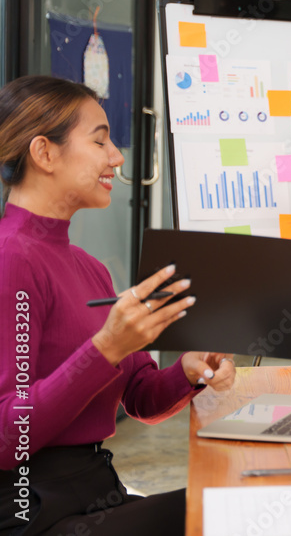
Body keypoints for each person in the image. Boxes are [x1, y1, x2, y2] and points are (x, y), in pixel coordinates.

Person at [0, 75, 236, 535]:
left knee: (237, 499)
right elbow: (9, 438)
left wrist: (187, 370)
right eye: (100, 141)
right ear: (44, 153)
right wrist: (105, 347)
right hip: (33, 511)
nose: (117, 158)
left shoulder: (89, 268)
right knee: (230, 512)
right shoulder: (12, 259)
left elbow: (140, 398)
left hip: (92, 492)